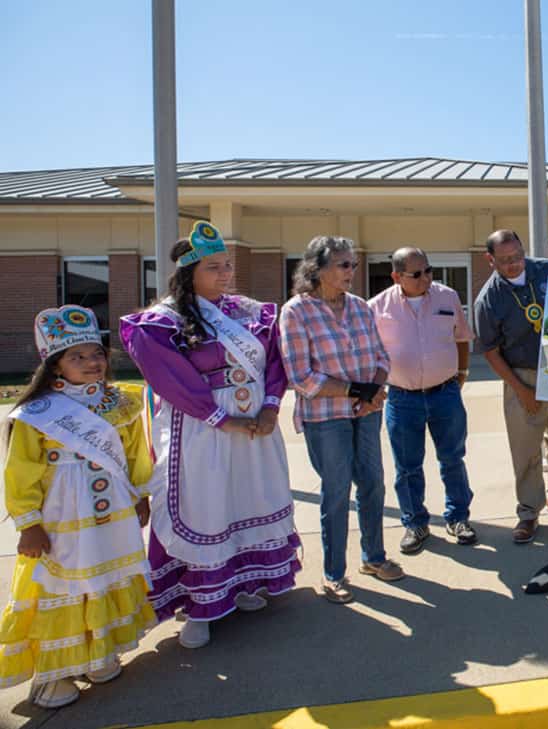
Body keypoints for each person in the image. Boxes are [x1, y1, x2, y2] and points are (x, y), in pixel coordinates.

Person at [121, 222, 301, 649]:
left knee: (249, 499)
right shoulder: (161, 323)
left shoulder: (251, 312)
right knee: (204, 507)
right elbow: (171, 379)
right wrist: (223, 417)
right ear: (189, 273)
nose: (226, 274)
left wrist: (272, 406)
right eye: (214, 268)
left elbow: (274, 361)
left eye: (228, 266)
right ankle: (198, 604)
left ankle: (242, 584)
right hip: (201, 431)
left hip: (256, 427)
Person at [1, 306, 154, 708]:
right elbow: (20, 470)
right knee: (65, 581)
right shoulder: (39, 413)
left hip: (113, 508)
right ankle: (53, 675)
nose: (92, 363)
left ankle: (99, 654)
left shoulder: (124, 403)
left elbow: (137, 454)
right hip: (64, 513)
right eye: (77, 357)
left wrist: (141, 495)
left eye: (96, 354)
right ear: (55, 367)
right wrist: (28, 522)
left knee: (107, 573)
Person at [281, 235, 403, 603]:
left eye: (353, 263)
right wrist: (355, 391)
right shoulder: (296, 312)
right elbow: (301, 377)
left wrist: (374, 392)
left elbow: (381, 358)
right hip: (326, 417)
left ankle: (374, 557)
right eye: (344, 264)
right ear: (317, 270)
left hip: (366, 413)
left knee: (374, 484)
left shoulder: (361, 307)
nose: (353, 270)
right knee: (336, 492)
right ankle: (334, 573)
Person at [472, 229, 548, 544]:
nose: (514, 265)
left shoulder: (547, 270)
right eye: (505, 261)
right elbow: (491, 352)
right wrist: (521, 390)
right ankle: (528, 512)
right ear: (490, 260)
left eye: (517, 257)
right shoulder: (489, 299)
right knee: (526, 449)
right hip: (522, 375)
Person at [369, 247, 476, 553]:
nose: (426, 278)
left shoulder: (447, 297)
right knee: (407, 467)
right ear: (396, 276)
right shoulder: (376, 307)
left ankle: (459, 518)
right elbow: (370, 351)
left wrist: (462, 373)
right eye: (417, 274)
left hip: (445, 394)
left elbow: (461, 337)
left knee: (453, 459)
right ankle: (415, 523)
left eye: (428, 270)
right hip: (403, 400)